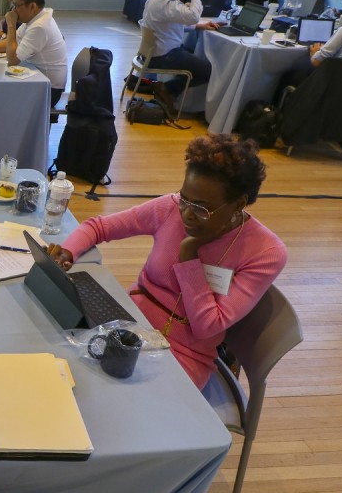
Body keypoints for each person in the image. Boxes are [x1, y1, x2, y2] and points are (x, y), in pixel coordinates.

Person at [46, 134, 287, 391]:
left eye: (201, 208)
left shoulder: (266, 252)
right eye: (184, 198)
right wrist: (68, 252)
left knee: (112, 400)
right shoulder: (172, 207)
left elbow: (208, 326)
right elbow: (99, 227)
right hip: (130, 322)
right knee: (63, 366)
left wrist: (190, 253)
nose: (186, 213)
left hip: (185, 354)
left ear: (238, 204)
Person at [139, 0, 222, 113]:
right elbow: (192, 17)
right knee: (209, 70)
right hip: (163, 55)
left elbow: (174, 23)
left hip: (155, 51)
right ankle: (168, 89)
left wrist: (199, 26)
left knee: (195, 58)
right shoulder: (166, 1)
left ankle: (167, 91)